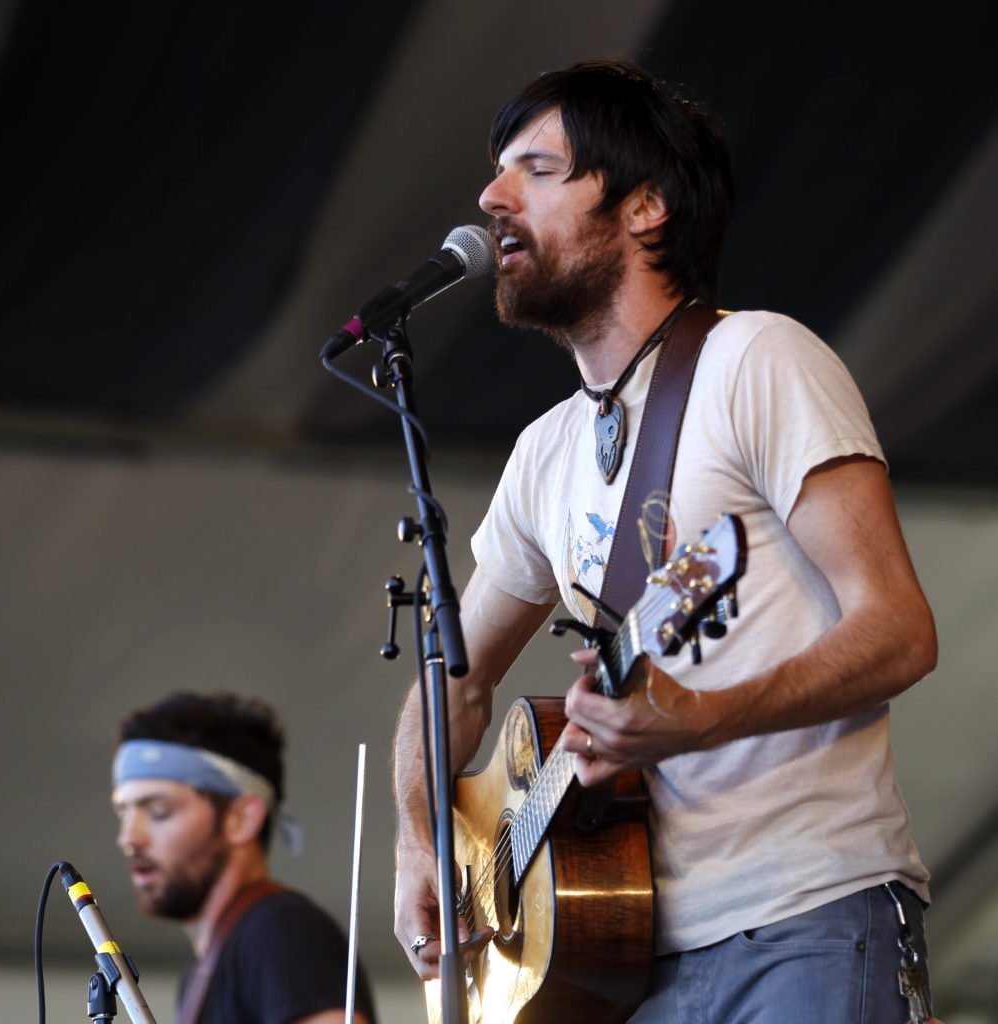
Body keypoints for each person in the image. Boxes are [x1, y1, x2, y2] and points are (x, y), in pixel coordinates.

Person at [391, 58, 941, 1024]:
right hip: (624, 960)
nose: (489, 196)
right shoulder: (544, 453)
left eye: (536, 169)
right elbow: (456, 681)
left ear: (645, 208)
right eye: (495, 170)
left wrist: (706, 714)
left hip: (805, 913)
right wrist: (416, 845)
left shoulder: (756, 359)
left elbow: (898, 629)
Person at [112, 691, 376, 1024]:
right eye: (123, 812)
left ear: (242, 819)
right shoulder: (199, 974)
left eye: (159, 811)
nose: (129, 838)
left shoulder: (280, 932)